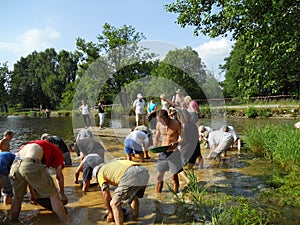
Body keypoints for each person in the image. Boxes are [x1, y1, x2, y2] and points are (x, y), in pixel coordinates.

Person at [9, 140, 68, 222]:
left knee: (17, 197)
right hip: (30, 163)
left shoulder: (35, 144)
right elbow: (59, 176)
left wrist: (33, 195)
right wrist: (62, 194)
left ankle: (13, 221)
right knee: (54, 195)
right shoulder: (58, 152)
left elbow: (30, 177)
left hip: (15, 165)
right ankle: (65, 221)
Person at [94, 159, 149, 224]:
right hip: (143, 171)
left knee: (114, 203)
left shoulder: (100, 173)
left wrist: (110, 213)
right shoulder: (111, 165)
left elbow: (106, 195)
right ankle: (135, 218)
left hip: (130, 174)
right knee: (134, 196)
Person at [153, 109, 189, 193]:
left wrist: (177, 143)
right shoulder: (159, 124)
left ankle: (175, 197)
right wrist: (154, 144)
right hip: (163, 153)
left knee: (174, 177)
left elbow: (184, 139)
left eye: (163, 120)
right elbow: (157, 137)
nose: (162, 123)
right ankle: (158, 198)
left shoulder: (176, 124)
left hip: (173, 153)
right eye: (160, 121)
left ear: (167, 117)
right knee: (159, 177)